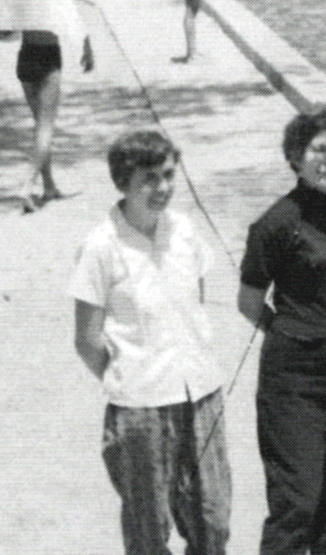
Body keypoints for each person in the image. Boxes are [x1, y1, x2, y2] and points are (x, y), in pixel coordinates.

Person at [72, 130, 231, 555]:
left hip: (200, 394)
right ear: (124, 182)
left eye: (167, 175)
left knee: (212, 521)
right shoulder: (100, 246)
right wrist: (130, 376)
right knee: (148, 529)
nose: (162, 188)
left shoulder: (185, 231)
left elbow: (193, 301)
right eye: (149, 179)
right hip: (140, 409)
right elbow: (87, 340)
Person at [239, 104, 326, 555]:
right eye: (319, 149)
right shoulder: (275, 223)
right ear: (297, 155)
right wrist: (295, 332)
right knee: (296, 501)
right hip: (295, 376)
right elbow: (249, 302)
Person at [0, 0, 93, 212]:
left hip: (25, 57)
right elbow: (73, 22)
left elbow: (0, 32)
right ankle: (28, 185)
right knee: (46, 127)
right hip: (48, 56)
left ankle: (49, 186)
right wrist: (86, 49)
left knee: (40, 125)